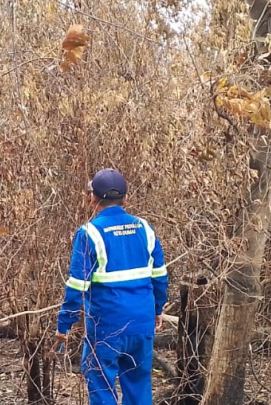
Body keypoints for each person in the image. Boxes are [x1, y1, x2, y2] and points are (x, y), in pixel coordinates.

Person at [55, 168, 168, 405]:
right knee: (139, 388)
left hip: (106, 327)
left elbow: (77, 285)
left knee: (101, 388)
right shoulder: (145, 228)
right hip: (142, 323)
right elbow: (159, 276)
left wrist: (64, 325)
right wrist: (157, 309)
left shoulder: (89, 233)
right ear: (126, 198)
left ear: (92, 198)